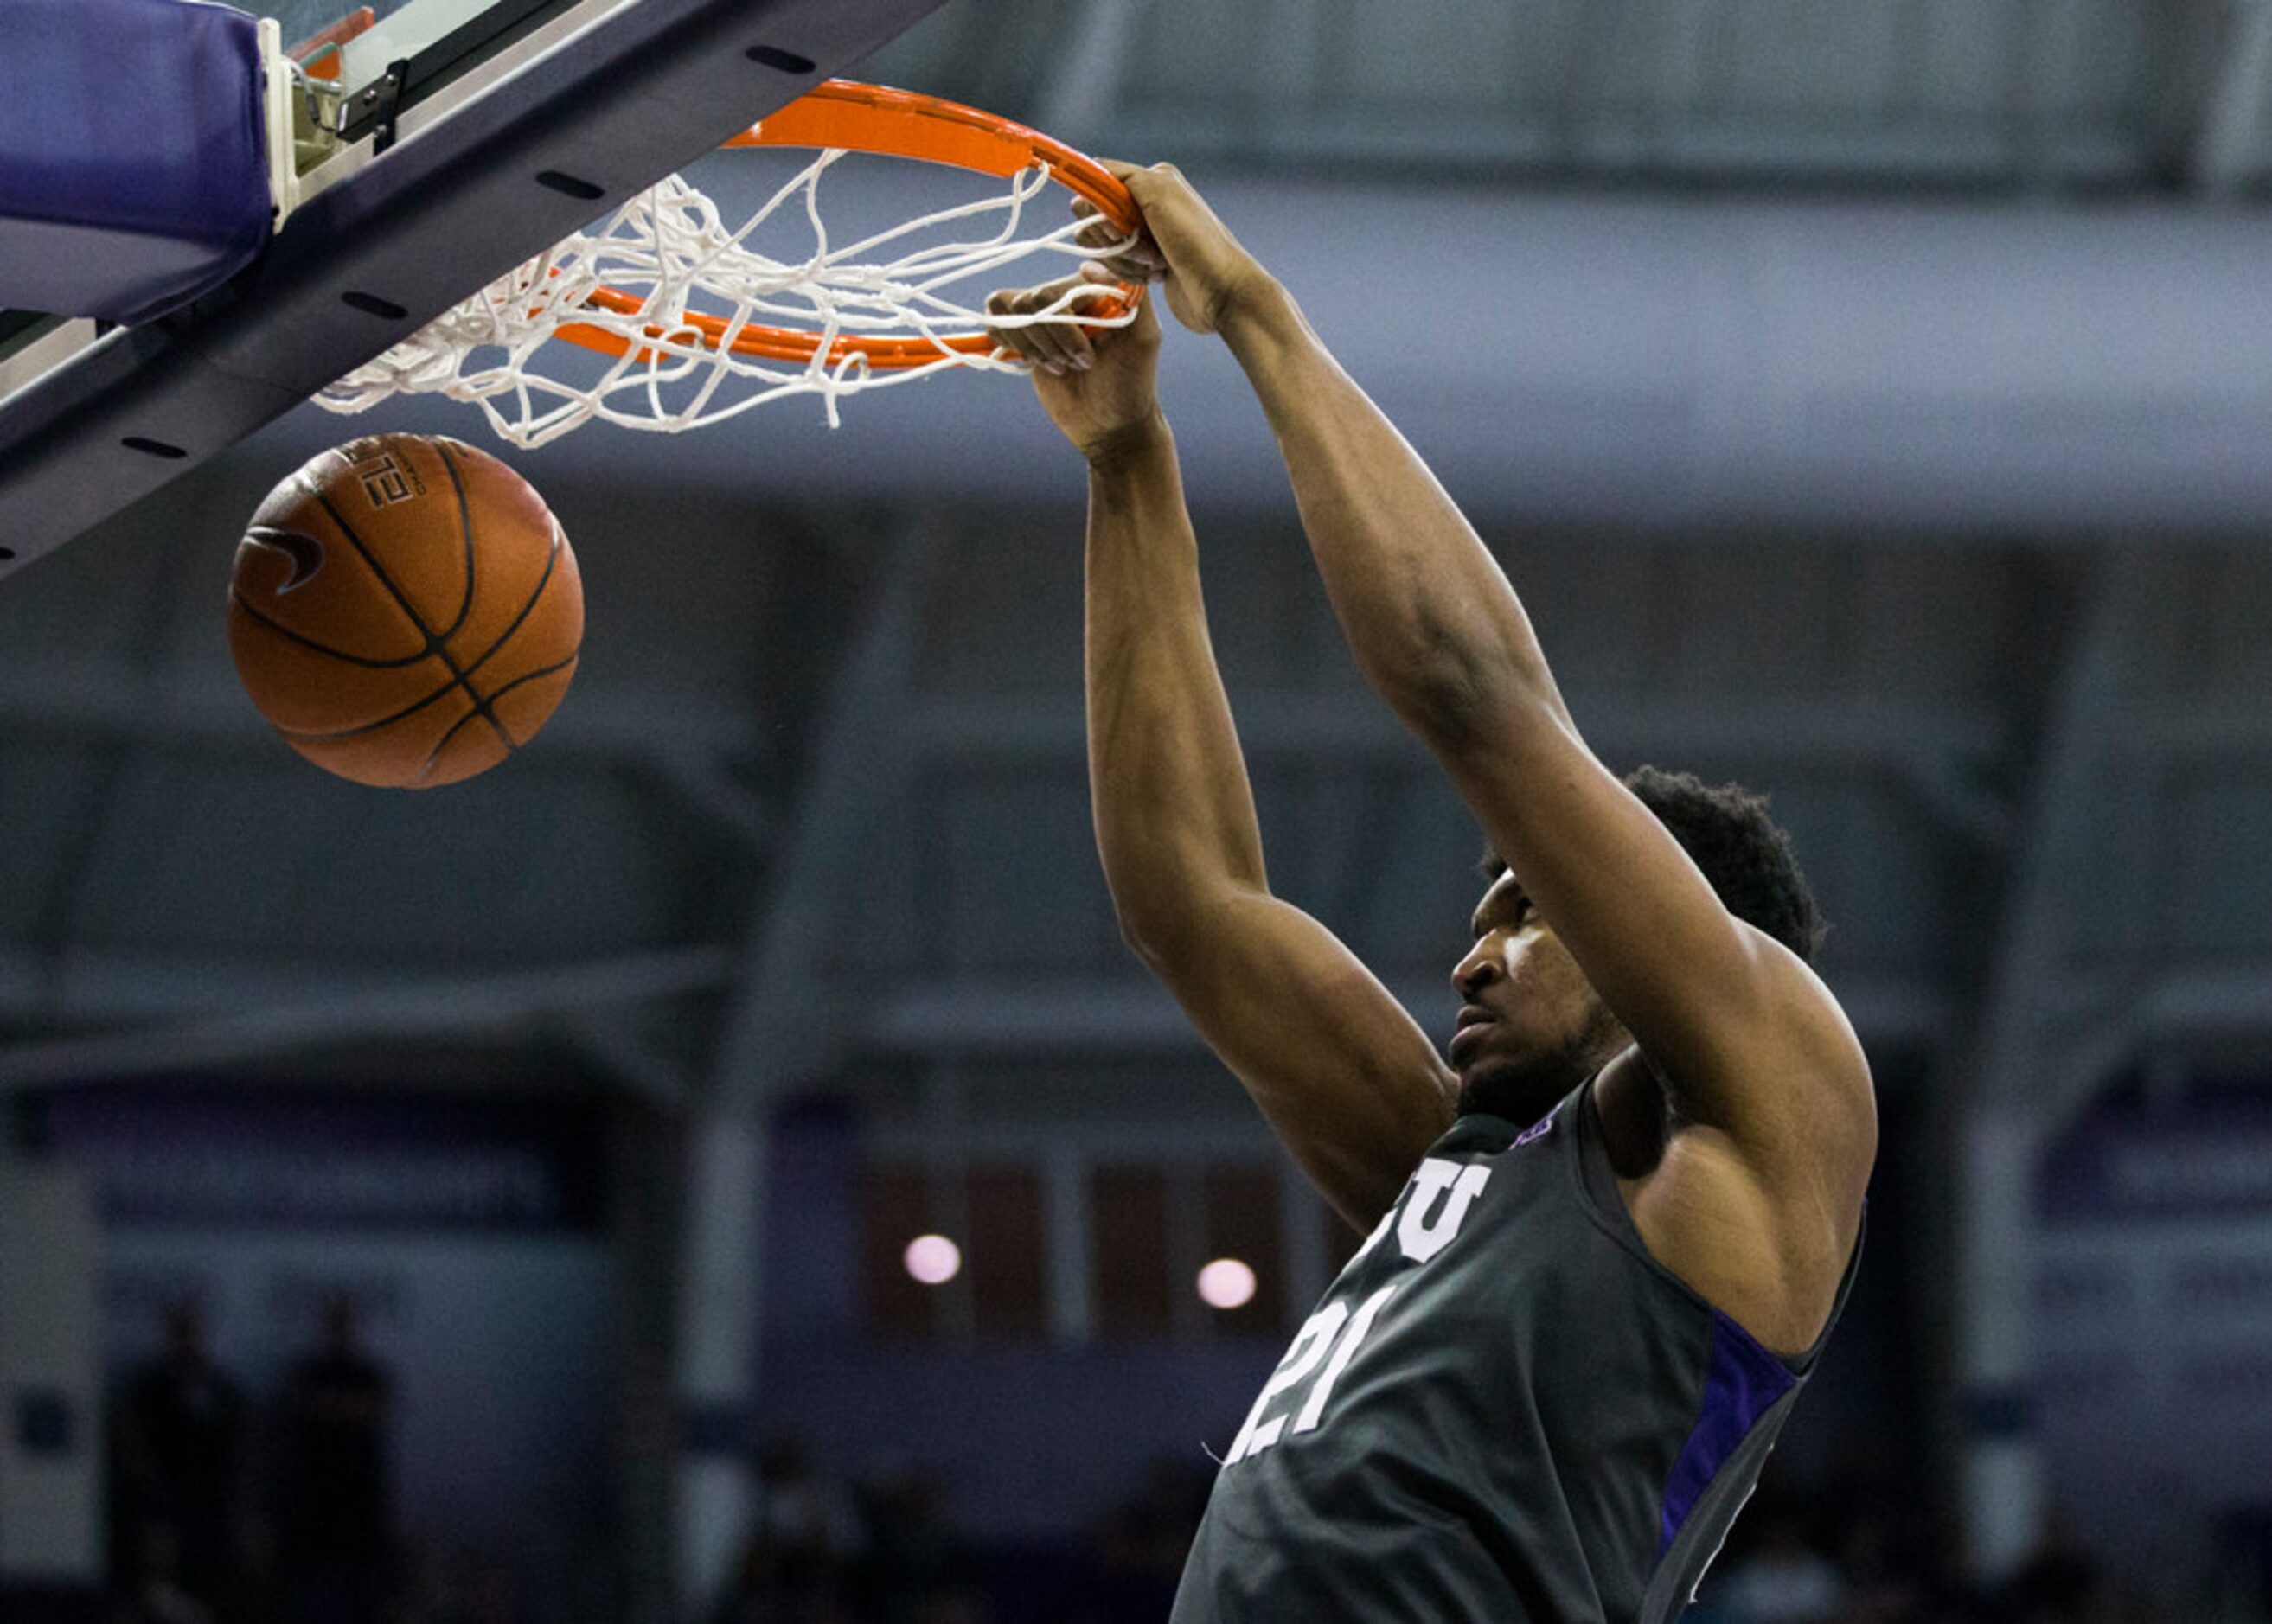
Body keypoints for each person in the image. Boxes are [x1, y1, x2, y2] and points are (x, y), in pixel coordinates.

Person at [984, 164, 1875, 1621]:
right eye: (1482, 917)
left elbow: (1473, 692)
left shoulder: (1778, 1102)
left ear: (1668, 922)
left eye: (1528, 909)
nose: (1475, 957)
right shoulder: (1452, 1179)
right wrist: (1128, 459)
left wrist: (1256, 319)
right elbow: (1191, 898)